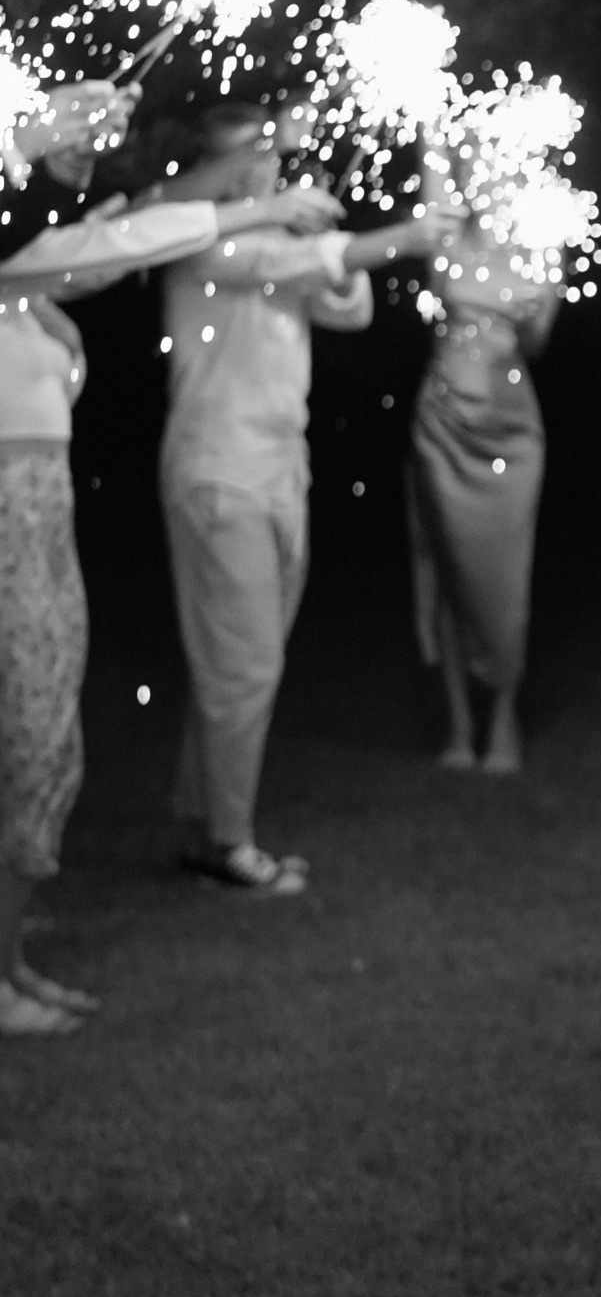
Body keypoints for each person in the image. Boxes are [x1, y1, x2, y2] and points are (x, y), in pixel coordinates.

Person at [0, 145, 330, 1034]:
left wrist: (244, 173)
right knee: (26, 734)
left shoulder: (29, 280)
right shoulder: (14, 260)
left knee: (37, 737)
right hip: (16, 518)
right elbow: (125, 237)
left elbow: (119, 230)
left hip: (38, 517)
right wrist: (257, 208)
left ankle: (11, 964)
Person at [148, 98, 451, 894]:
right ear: (215, 164)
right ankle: (228, 844)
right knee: (243, 665)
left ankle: (200, 817)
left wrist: (329, 245)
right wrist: (395, 240)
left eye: (267, 149)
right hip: (220, 470)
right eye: (248, 150)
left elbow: (343, 308)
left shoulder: (276, 235)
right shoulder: (199, 236)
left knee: (246, 660)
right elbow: (281, 269)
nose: (267, 162)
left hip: (282, 467)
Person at [406, 193, 559, 773]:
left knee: (505, 576)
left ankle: (503, 718)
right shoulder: (445, 233)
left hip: (512, 432)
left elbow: (536, 344)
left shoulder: (543, 243)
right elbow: (432, 148)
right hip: (443, 425)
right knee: (449, 570)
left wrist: (544, 303)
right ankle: (459, 726)